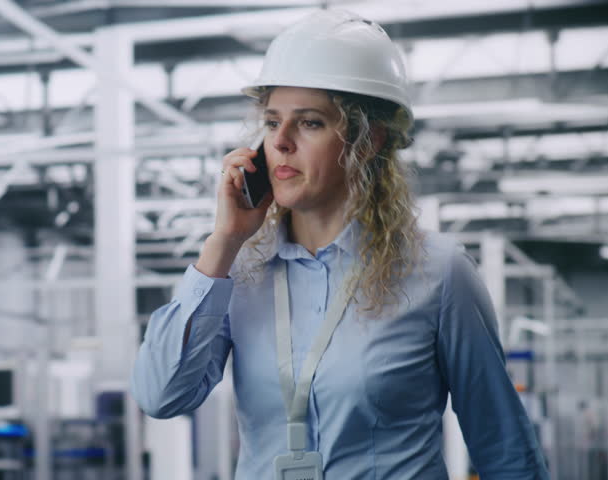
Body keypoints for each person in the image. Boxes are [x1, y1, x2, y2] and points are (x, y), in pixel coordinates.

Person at [131, 9, 550, 479]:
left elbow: (506, 449)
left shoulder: (439, 271)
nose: (281, 143)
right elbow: (160, 395)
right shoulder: (239, 270)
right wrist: (224, 241)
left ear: (367, 139)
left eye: (309, 123)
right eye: (271, 123)